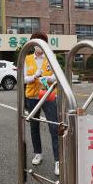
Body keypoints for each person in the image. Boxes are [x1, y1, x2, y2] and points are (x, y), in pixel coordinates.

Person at [24, 32, 60, 176]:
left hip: (48, 95)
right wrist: (34, 76)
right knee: (34, 126)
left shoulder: (51, 57)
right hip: (32, 96)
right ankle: (38, 153)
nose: (38, 45)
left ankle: (58, 160)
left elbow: (57, 76)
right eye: (35, 42)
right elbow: (23, 78)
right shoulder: (26, 59)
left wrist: (47, 79)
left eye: (41, 42)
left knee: (54, 127)